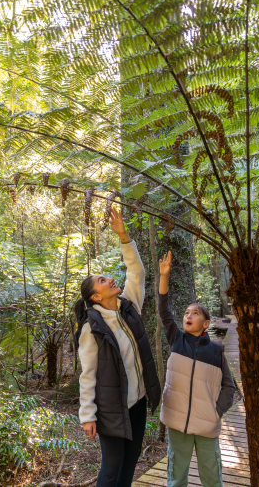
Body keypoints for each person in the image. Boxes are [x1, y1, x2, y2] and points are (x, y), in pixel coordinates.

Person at [74, 206, 161, 487]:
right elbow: (88, 374)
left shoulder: (128, 307)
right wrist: (87, 415)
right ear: (96, 297)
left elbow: (137, 273)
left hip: (137, 400)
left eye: (107, 277)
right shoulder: (92, 328)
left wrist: (124, 237)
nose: (110, 279)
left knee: (131, 461)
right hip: (111, 406)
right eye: (102, 280)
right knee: (111, 467)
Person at [158, 251, 235, 487]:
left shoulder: (216, 351)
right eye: (186, 313)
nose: (188, 315)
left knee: (211, 476)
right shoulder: (176, 339)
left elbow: (229, 386)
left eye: (195, 313)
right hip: (177, 421)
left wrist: (216, 412)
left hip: (206, 423)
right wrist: (164, 276)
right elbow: (164, 312)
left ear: (206, 323)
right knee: (176, 477)